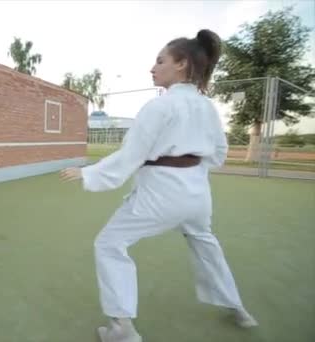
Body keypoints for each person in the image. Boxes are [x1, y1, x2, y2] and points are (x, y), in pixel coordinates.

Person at [60, 30, 258, 342]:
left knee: (109, 244)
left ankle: (122, 329)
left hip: (161, 194)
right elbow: (218, 154)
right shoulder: (207, 107)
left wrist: (89, 173)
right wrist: (192, 173)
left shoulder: (160, 106)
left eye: (160, 60)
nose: (152, 67)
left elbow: (132, 155)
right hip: (197, 194)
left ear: (180, 64)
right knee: (205, 242)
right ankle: (238, 308)